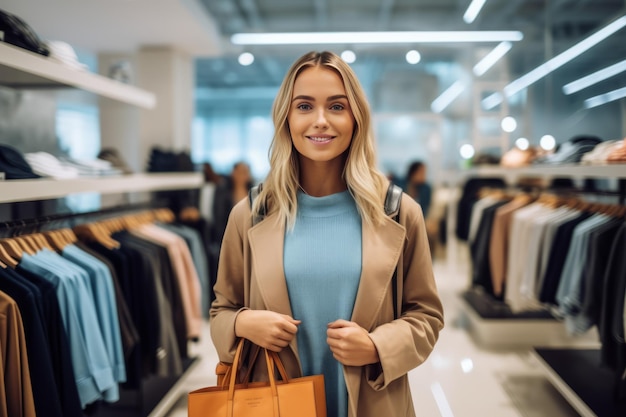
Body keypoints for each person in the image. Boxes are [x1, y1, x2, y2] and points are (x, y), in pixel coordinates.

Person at [210, 51, 444, 417]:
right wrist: (242, 323)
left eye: (337, 106)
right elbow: (221, 309)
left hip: (372, 402)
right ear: (286, 117)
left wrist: (377, 346)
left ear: (356, 118)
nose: (320, 121)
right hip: (274, 401)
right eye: (304, 106)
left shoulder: (398, 212)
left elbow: (426, 316)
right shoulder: (250, 215)